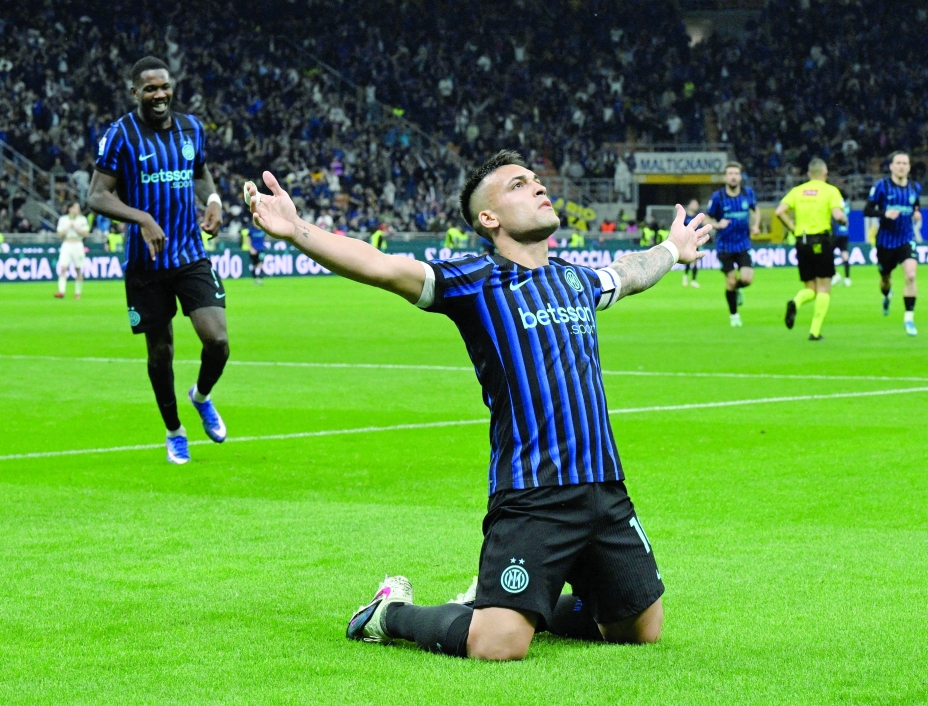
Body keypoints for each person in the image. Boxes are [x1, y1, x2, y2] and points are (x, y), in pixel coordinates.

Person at [246, 149, 711, 661]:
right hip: (533, 493)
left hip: (604, 488)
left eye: (535, 180)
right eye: (517, 185)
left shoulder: (575, 280)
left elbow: (631, 271)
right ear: (489, 218)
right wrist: (299, 231)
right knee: (498, 646)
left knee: (639, 631)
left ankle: (502, 600)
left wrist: (672, 247)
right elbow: (381, 265)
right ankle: (386, 613)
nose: (537, 187)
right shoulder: (476, 282)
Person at [87, 56, 229, 465]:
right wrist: (142, 217)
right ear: (135, 92)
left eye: (163, 86)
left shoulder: (191, 128)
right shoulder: (120, 135)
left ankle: (201, 397)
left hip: (189, 253)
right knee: (160, 351)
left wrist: (214, 200)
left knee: (217, 341)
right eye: (149, 88)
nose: (159, 94)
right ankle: (174, 431)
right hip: (146, 263)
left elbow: (200, 171)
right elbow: (97, 195)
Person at [776, 158, 847, 341]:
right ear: (825, 173)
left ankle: (796, 302)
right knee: (824, 287)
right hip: (821, 241)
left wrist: (792, 227)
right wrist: (843, 220)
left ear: (808, 174)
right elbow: (837, 214)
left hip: (802, 241)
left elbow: (779, 211)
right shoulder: (830, 191)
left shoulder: (797, 191)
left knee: (811, 288)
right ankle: (814, 332)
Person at [864, 151, 922, 336]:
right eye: (898, 163)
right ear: (891, 166)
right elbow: (867, 210)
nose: (901, 166)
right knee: (885, 279)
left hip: (906, 239)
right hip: (885, 242)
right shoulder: (882, 186)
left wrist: (917, 213)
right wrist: (884, 214)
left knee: (911, 276)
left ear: (909, 167)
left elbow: (916, 205)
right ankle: (887, 296)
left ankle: (909, 319)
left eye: (905, 163)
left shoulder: (914, 187)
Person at [706, 162, 760, 326]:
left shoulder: (747, 193)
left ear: (740, 176)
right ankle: (734, 315)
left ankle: (737, 289)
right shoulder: (718, 197)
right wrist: (716, 224)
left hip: (743, 244)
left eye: (736, 173)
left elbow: (755, 210)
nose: (733, 176)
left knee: (747, 279)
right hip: (725, 246)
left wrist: (756, 225)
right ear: (725, 177)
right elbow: (707, 217)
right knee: (730, 281)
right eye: (730, 173)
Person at [54, 202, 90, 299]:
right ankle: (61, 291)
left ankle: (77, 292)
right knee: (63, 268)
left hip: (78, 244)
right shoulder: (63, 219)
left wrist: (76, 229)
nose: (77, 210)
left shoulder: (82, 219)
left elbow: (86, 233)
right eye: (75, 208)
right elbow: (59, 234)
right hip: (67, 244)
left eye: (77, 208)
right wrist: (67, 228)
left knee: (78, 269)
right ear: (70, 209)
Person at [830, 197, 851, 287]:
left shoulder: (836, 204)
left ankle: (835, 275)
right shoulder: (847, 204)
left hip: (836, 233)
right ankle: (847, 278)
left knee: (827, 254)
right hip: (845, 233)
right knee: (845, 255)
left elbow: (836, 216)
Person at [681, 198, 701, 288]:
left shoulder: (697, 217)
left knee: (695, 261)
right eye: (694, 204)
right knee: (688, 259)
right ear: (689, 205)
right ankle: (685, 276)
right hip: (686, 241)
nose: (695, 206)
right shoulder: (684, 216)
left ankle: (693, 280)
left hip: (695, 241)